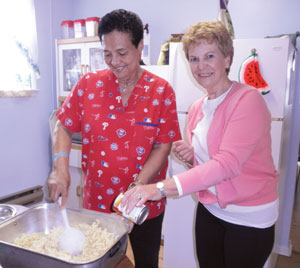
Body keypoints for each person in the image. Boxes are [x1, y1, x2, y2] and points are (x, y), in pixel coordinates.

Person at [122, 21, 279, 268]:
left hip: (248, 218)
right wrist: (192, 157)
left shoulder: (248, 100)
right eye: (194, 59)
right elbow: (208, 164)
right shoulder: (197, 108)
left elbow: (227, 165)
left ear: (227, 59)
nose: (201, 66)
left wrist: (157, 189)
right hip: (211, 210)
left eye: (209, 56)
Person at [47, 9, 181, 268]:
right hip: (98, 203)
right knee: (100, 262)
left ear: (139, 47)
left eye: (122, 53)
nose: (114, 61)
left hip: (144, 204)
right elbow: (63, 125)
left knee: (146, 262)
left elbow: (163, 145)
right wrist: (60, 166)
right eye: (107, 54)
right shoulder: (88, 84)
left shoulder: (161, 91)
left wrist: (135, 190)